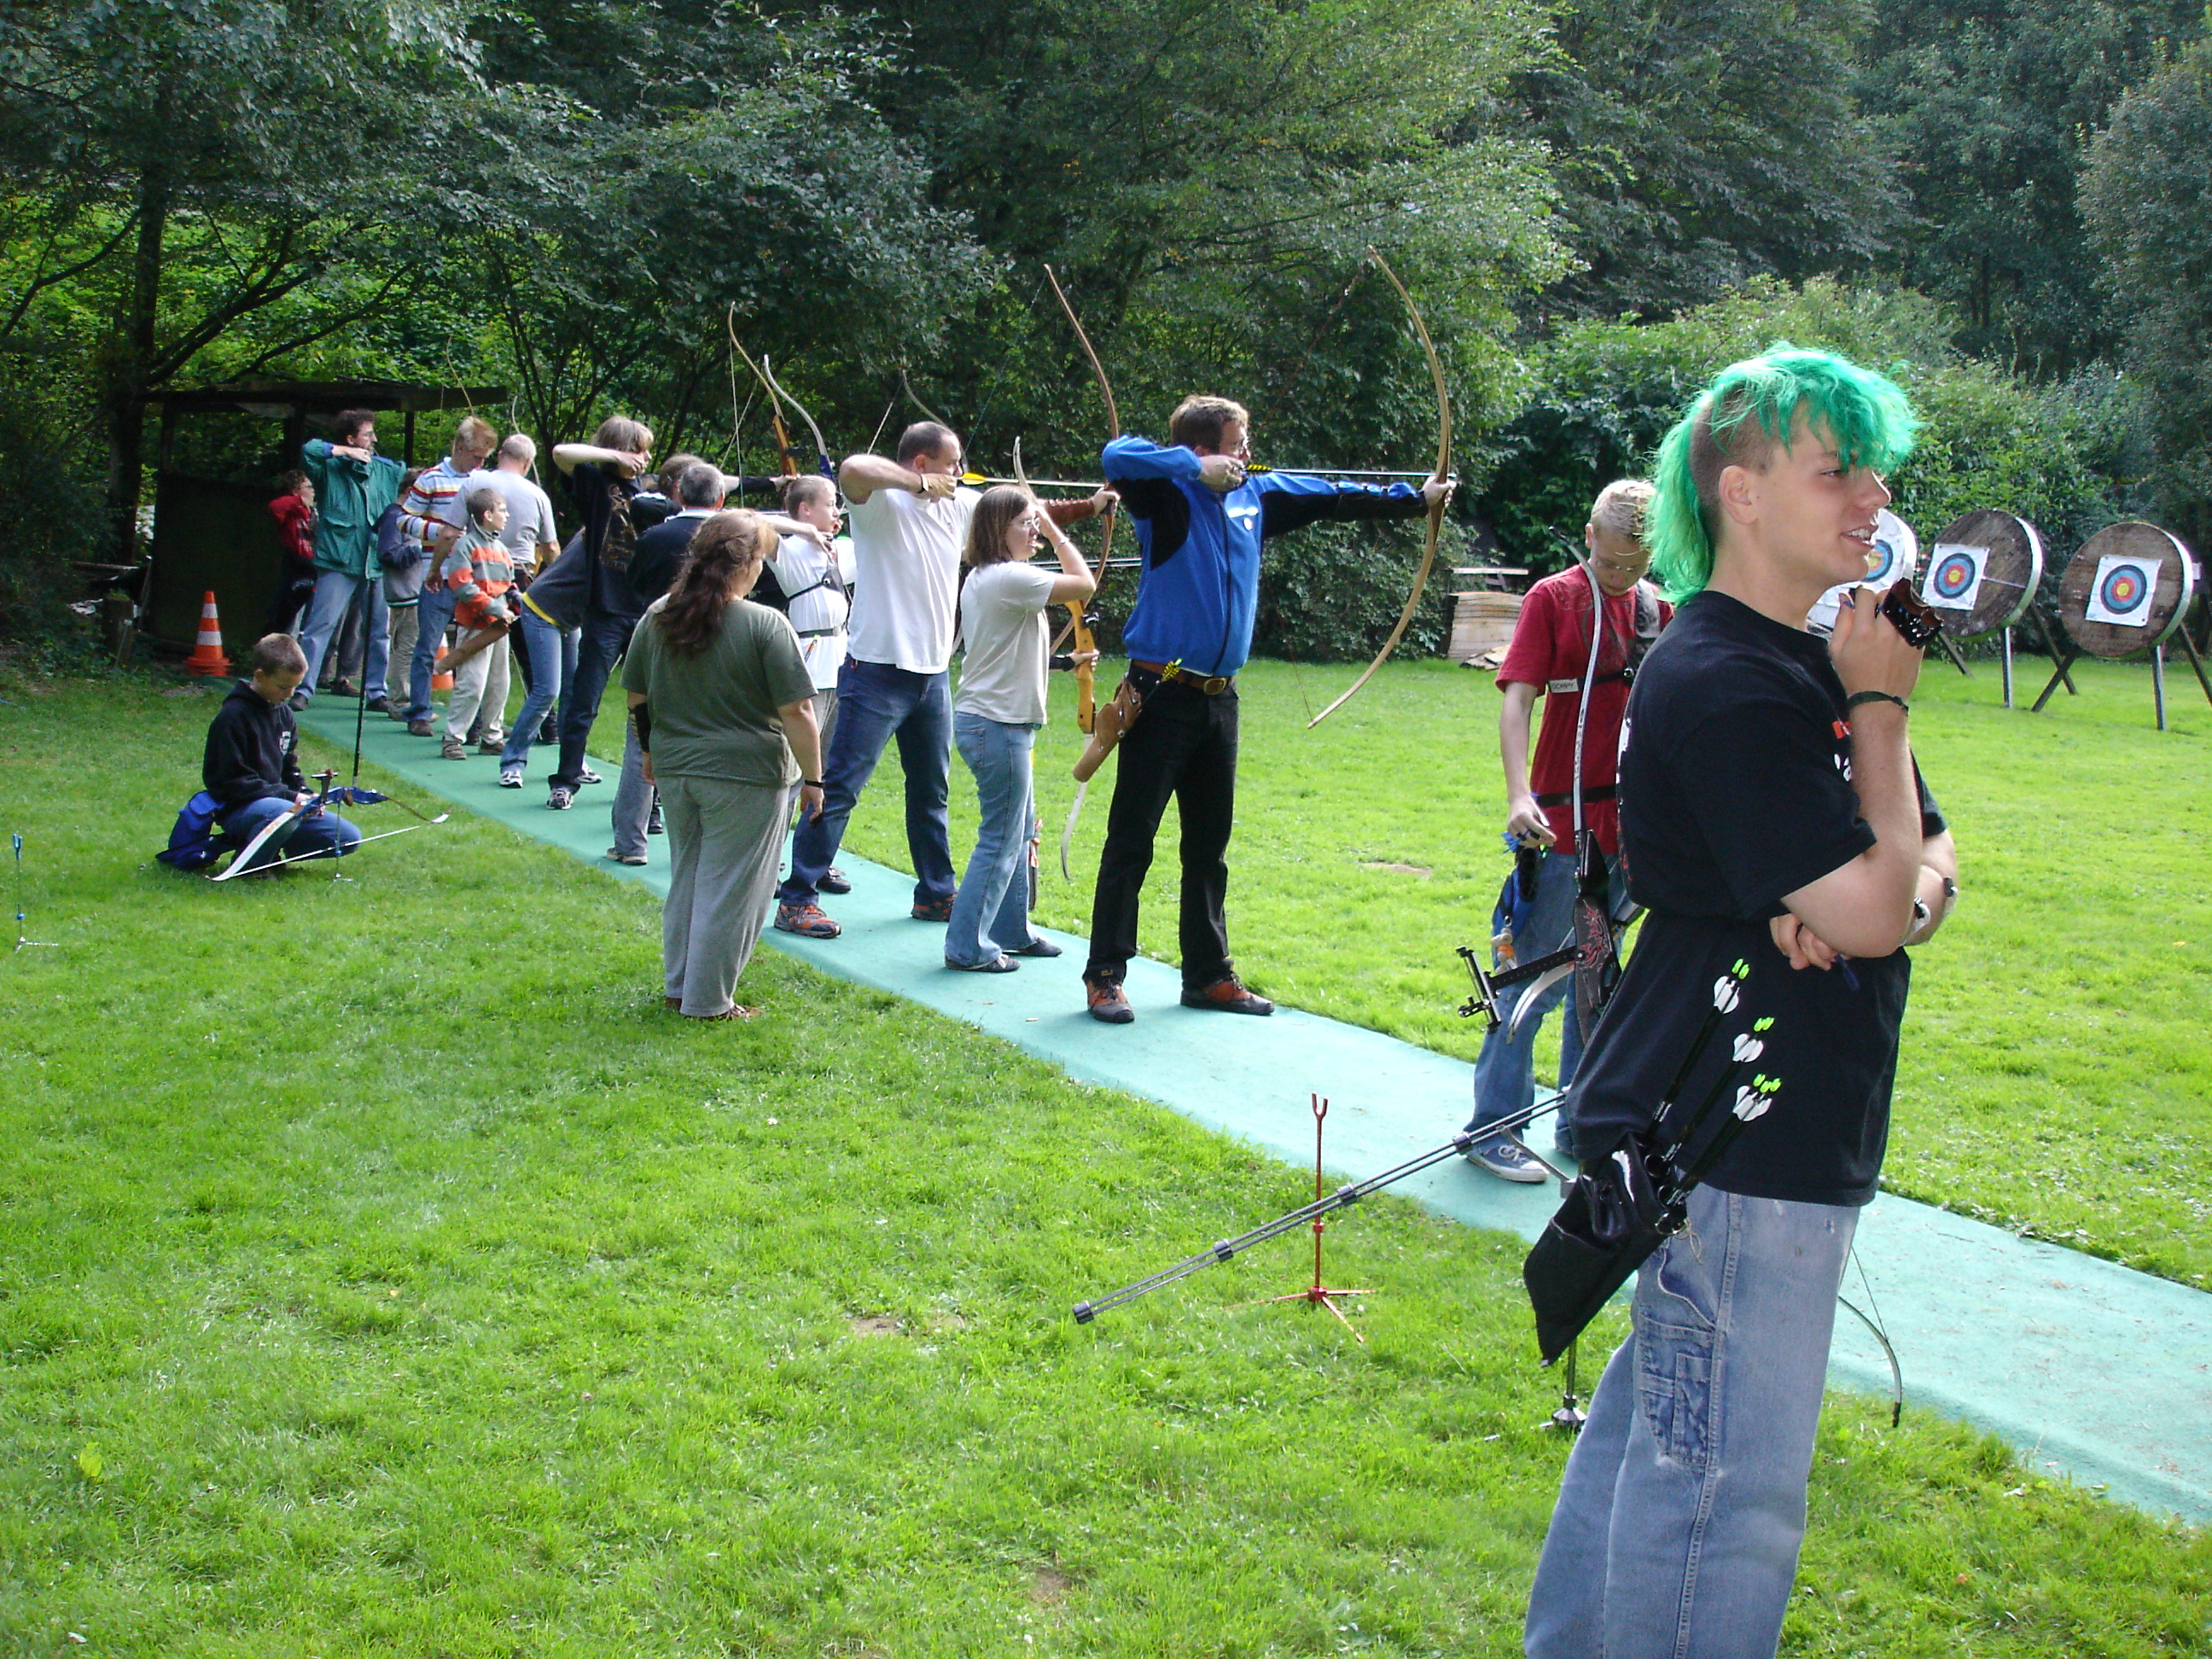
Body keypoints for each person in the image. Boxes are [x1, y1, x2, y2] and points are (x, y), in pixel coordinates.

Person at [1522, 346, 1959, 1658]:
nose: (1876, 496)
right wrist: (1880, 723)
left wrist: (1886, 893)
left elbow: (1924, 863)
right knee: (1725, 1496)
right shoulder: (1733, 676)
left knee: (1663, 1425)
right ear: (1743, 492)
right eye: (1840, 471)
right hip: (1739, 1145)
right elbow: (1880, 893)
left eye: (1876, 470)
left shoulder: (1802, 659)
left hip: (1746, 1128)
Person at [1080, 395, 1452, 1023]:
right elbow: (1117, 454)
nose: (1248, 453)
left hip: (1220, 698)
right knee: (1131, 840)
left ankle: (1207, 975)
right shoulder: (1164, 493)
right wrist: (1194, 469)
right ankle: (1106, 975)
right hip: (1161, 686)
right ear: (1205, 450)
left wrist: (1416, 498)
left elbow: (1332, 495)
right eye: (1238, 443)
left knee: (1209, 845)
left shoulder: (1257, 494)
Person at [773, 422, 1108, 939]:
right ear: (922, 462)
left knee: (931, 792)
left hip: (931, 675)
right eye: (951, 464)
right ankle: (798, 898)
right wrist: (918, 485)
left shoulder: (959, 506)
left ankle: (935, 893)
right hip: (876, 670)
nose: (959, 472)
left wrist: (1092, 506)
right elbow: (853, 469)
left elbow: (1020, 512)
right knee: (840, 788)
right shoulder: (879, 503)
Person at [1460, 479, 1671, 1182]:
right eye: (1608, 561)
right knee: (1531, 980)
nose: (1619, 577)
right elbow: (1517, 700)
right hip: (1559, 827)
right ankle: (1492, 1129)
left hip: (1628, 831)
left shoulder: (1659, 612)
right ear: (1588, 536)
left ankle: (1584, 1124)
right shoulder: (1553, 598)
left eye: (1634, 565)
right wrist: (1519, 795)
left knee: (1598, 980)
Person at [622, 509, 824, 1020]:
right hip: (747, 775)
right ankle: (708, 1001)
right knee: (733, 891)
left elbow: (637, 697)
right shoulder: (764, 623)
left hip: (676, 768)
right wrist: (815, 778)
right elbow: (798, 710)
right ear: (748, 563)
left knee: (689, 880)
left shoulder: (659, 613)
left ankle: (680, 988)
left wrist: (649, 752)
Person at [945, 486, 1097, 971]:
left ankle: (1010, 930)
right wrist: (1055, 532)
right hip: (997, 726)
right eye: (1026, 524)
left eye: (1035, 523)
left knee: (1017, 831)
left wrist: (1066, 662)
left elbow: (1006, 649)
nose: (1034, 531)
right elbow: (1084, 583)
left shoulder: (991, 577)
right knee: (1001, 837)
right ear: (999, 529)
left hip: (995, 721)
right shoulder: (1009, 576)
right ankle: (967, 947)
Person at [547, 417, 661, 812]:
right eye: (638, 450)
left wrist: (772, 483)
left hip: (647, 612)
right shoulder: (596, 484)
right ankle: (565, 781)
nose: (645, 458)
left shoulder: (651, 490)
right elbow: (561, 453)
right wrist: (613, 457)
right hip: (607, 609)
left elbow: (710, 486)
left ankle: (651, 795)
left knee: (652, 706)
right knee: (585, 701)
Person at [202, 634, 362, 873]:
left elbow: (289, 768)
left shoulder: (284, 715)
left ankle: (271, 846)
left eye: (296, 686)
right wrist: (291, 797)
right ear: (260, 676)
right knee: (283, 812)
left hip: (279, 805)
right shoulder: (233, 717)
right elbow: (235, 782)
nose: (289, 694)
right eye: (283, 687)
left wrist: (305, 794)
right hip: (238, 807)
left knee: (347, 837)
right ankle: (252, 865)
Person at [765, 474, 854, 892]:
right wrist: (803, 531)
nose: (836, 511)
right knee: (795, 773)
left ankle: (816, 862)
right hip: (810, 667)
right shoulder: (788, 549)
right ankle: (767, 864)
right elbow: (749, 522)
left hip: (842, 667)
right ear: (804, 509)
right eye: (829, 503)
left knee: (830, 774)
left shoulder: (843, 550)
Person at [396, 415, 501, 736]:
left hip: (475, 578)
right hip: (439, 575)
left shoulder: (484, 482)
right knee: (427, 645)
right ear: (459, 447)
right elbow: (403, 519)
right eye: (476, 456)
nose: (480, 463)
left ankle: (473, 721)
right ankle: (419, 710)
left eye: (485, 458)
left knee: (475, 649)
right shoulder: (430, 479)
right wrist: (438, 531)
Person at [294, 410, 405, 713]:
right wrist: (344, 452)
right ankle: (303, 688)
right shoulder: (328, 469)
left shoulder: (384, 470)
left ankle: (376, 693)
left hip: (374, 563)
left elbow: (412, 478)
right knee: (319, 627)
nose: (374, 439)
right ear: (351, 439)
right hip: (338, 561)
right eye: (368, 434)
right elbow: (308, 450)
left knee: (379, 632)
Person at [468, 432, 562, 746]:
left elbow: (451, 530)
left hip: (478, 571)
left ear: (500, 455)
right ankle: (548, 726)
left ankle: (472, 726)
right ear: (528, 462)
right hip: (519, 575)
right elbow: (550, 547)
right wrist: (552, 581)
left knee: (476, 651)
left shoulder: (476, 481)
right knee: (531, 656)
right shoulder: (536, 494)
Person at [435, 487, 518, 760]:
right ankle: (453, 738)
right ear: (487, 515)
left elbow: (507, 584)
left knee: (499, 683)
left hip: (499, 628)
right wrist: (495, 607)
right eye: (502, 510)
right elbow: (461, 585)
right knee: (471, 684)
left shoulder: (501, 548)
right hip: (476, 626)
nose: (506, 515)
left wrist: (515, 599)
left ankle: (491, 736)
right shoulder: (466, 545)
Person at [262, 471, 317, 636]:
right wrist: (299, 501)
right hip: (297, 569)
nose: (313, 490)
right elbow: (275, 507)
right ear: (296, 491)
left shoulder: (315, 512)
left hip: (315, 569)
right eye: (308, 487)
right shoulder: (292, 512)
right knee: (290, 619)